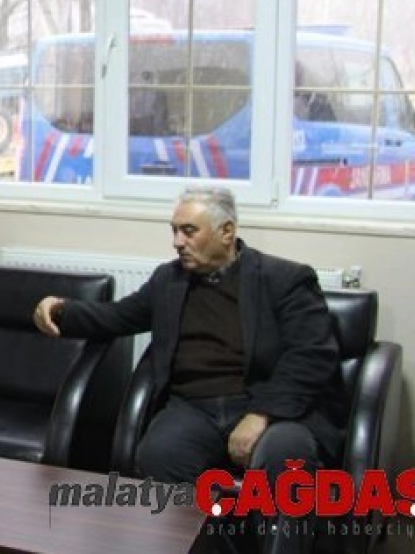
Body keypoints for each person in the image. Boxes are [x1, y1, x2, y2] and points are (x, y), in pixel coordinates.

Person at [33, 186, 343, 553]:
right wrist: (61, 310)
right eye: (175, 230)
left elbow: (311, 355)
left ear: (226, 231)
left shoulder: (284, 279)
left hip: (267, 407)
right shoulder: (169, 280)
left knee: (286, 457)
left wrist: (260, 415)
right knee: (159, 454)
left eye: (189, 231)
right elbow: (118, 316)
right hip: (194, 407)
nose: (177, 242)